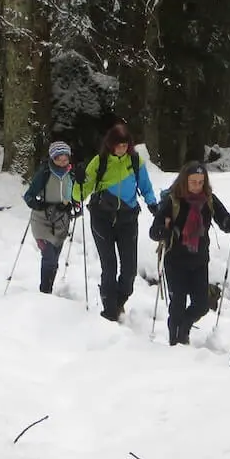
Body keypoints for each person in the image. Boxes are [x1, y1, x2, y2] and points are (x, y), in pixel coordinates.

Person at [148, 162, 230, 346]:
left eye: (201, 182)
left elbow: (223, 220)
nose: (197, 186)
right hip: (175, 259)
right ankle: (175, 342)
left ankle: (184, 327)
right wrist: (163, 232)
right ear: (185, 181)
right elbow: (154, 231)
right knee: (177, 305)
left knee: (201, 305)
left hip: (199, 259)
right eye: (193, 182)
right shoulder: (173, 200)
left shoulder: (209, 199)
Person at [75, 123, 159, 321]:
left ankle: (118, 301)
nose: (121, 148)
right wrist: (77, 182)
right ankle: (109, 311)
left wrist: (152, 204)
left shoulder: (136, 161)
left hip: (128, 219)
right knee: (109, 267)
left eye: (125, 144)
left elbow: (146, 186)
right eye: (118, 144)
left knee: (129, 271)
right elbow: (81, 194)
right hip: (102, 218)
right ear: (110, 144)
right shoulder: (100, 162)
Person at [22, 141, 81, 294]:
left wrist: (74, 205)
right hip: (42, 220)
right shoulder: (45, 172)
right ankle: (44, 292)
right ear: (52, 158)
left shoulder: (72, 174)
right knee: (48, 256)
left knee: (54, 259)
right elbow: (29, 195)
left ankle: (48, 290)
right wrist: (36, 204)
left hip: (62, 221)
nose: (62, 162)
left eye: (65, 158)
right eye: (58, 159)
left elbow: (77, 196)